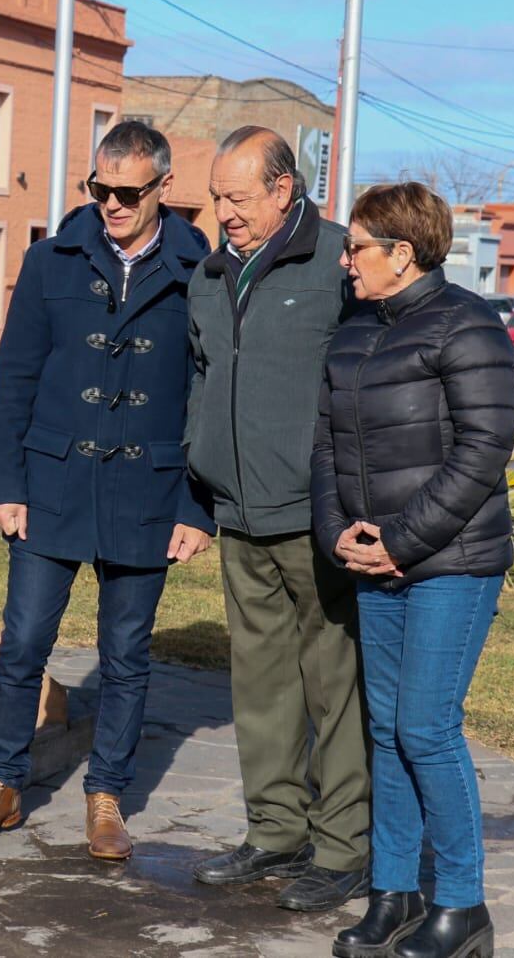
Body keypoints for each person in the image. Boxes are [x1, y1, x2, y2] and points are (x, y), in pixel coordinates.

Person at [0, 121, 216, 861]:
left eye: (129, 192)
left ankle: (106, 797)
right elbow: (15, 379)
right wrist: (5, 484)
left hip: (149, 491)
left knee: (126, 654)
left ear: (164, 187)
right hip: (50, 481)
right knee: (22, 641)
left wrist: (197, 508)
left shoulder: (202, 272)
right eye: (100, 189)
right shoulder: (48, 261)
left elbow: (208, 393)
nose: (113, 204)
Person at [312, 182, 514, 958]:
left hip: (450, 566)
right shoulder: (353, 329)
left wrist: (399, 540)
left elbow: (481, 452)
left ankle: (462, 908)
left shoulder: (468, 324)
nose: (345, 261)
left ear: (401, 254)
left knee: (426, 729)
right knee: (387, 731)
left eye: (356, 247)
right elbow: (324, 446)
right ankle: (391, 893)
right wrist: (341, 535)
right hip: (373, 561)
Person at [185, 126, 371, 913]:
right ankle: (273, 832)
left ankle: (341, 849)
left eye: (236, 197)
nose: (222, 212)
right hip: (238, 511)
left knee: (334, 685)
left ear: (282, 188)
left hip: (314, 515)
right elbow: (201, 378)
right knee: (259, 684)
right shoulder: (210, 270)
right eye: (215, 196)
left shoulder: (336, 262)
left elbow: (369, 382)